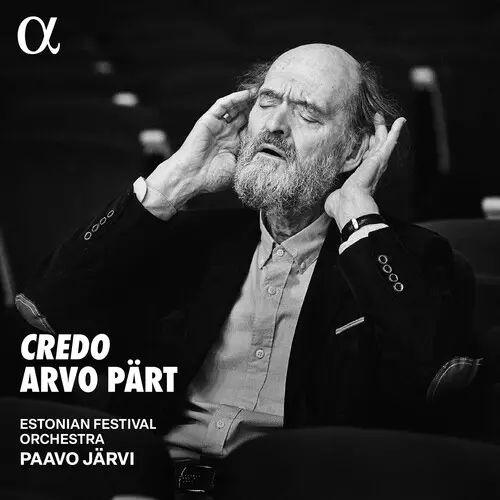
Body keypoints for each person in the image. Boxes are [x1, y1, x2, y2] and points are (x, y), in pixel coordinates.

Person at [14, 43, 480, 498]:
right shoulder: (188, 239)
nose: (275, 125)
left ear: (352, 152)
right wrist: (172, 183)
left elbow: (440, 377)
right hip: (153, 483)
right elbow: (44, 311)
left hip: (291, 485)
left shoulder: (403, 257)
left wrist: (356, 212)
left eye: (308, 114)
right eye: (267, 102)